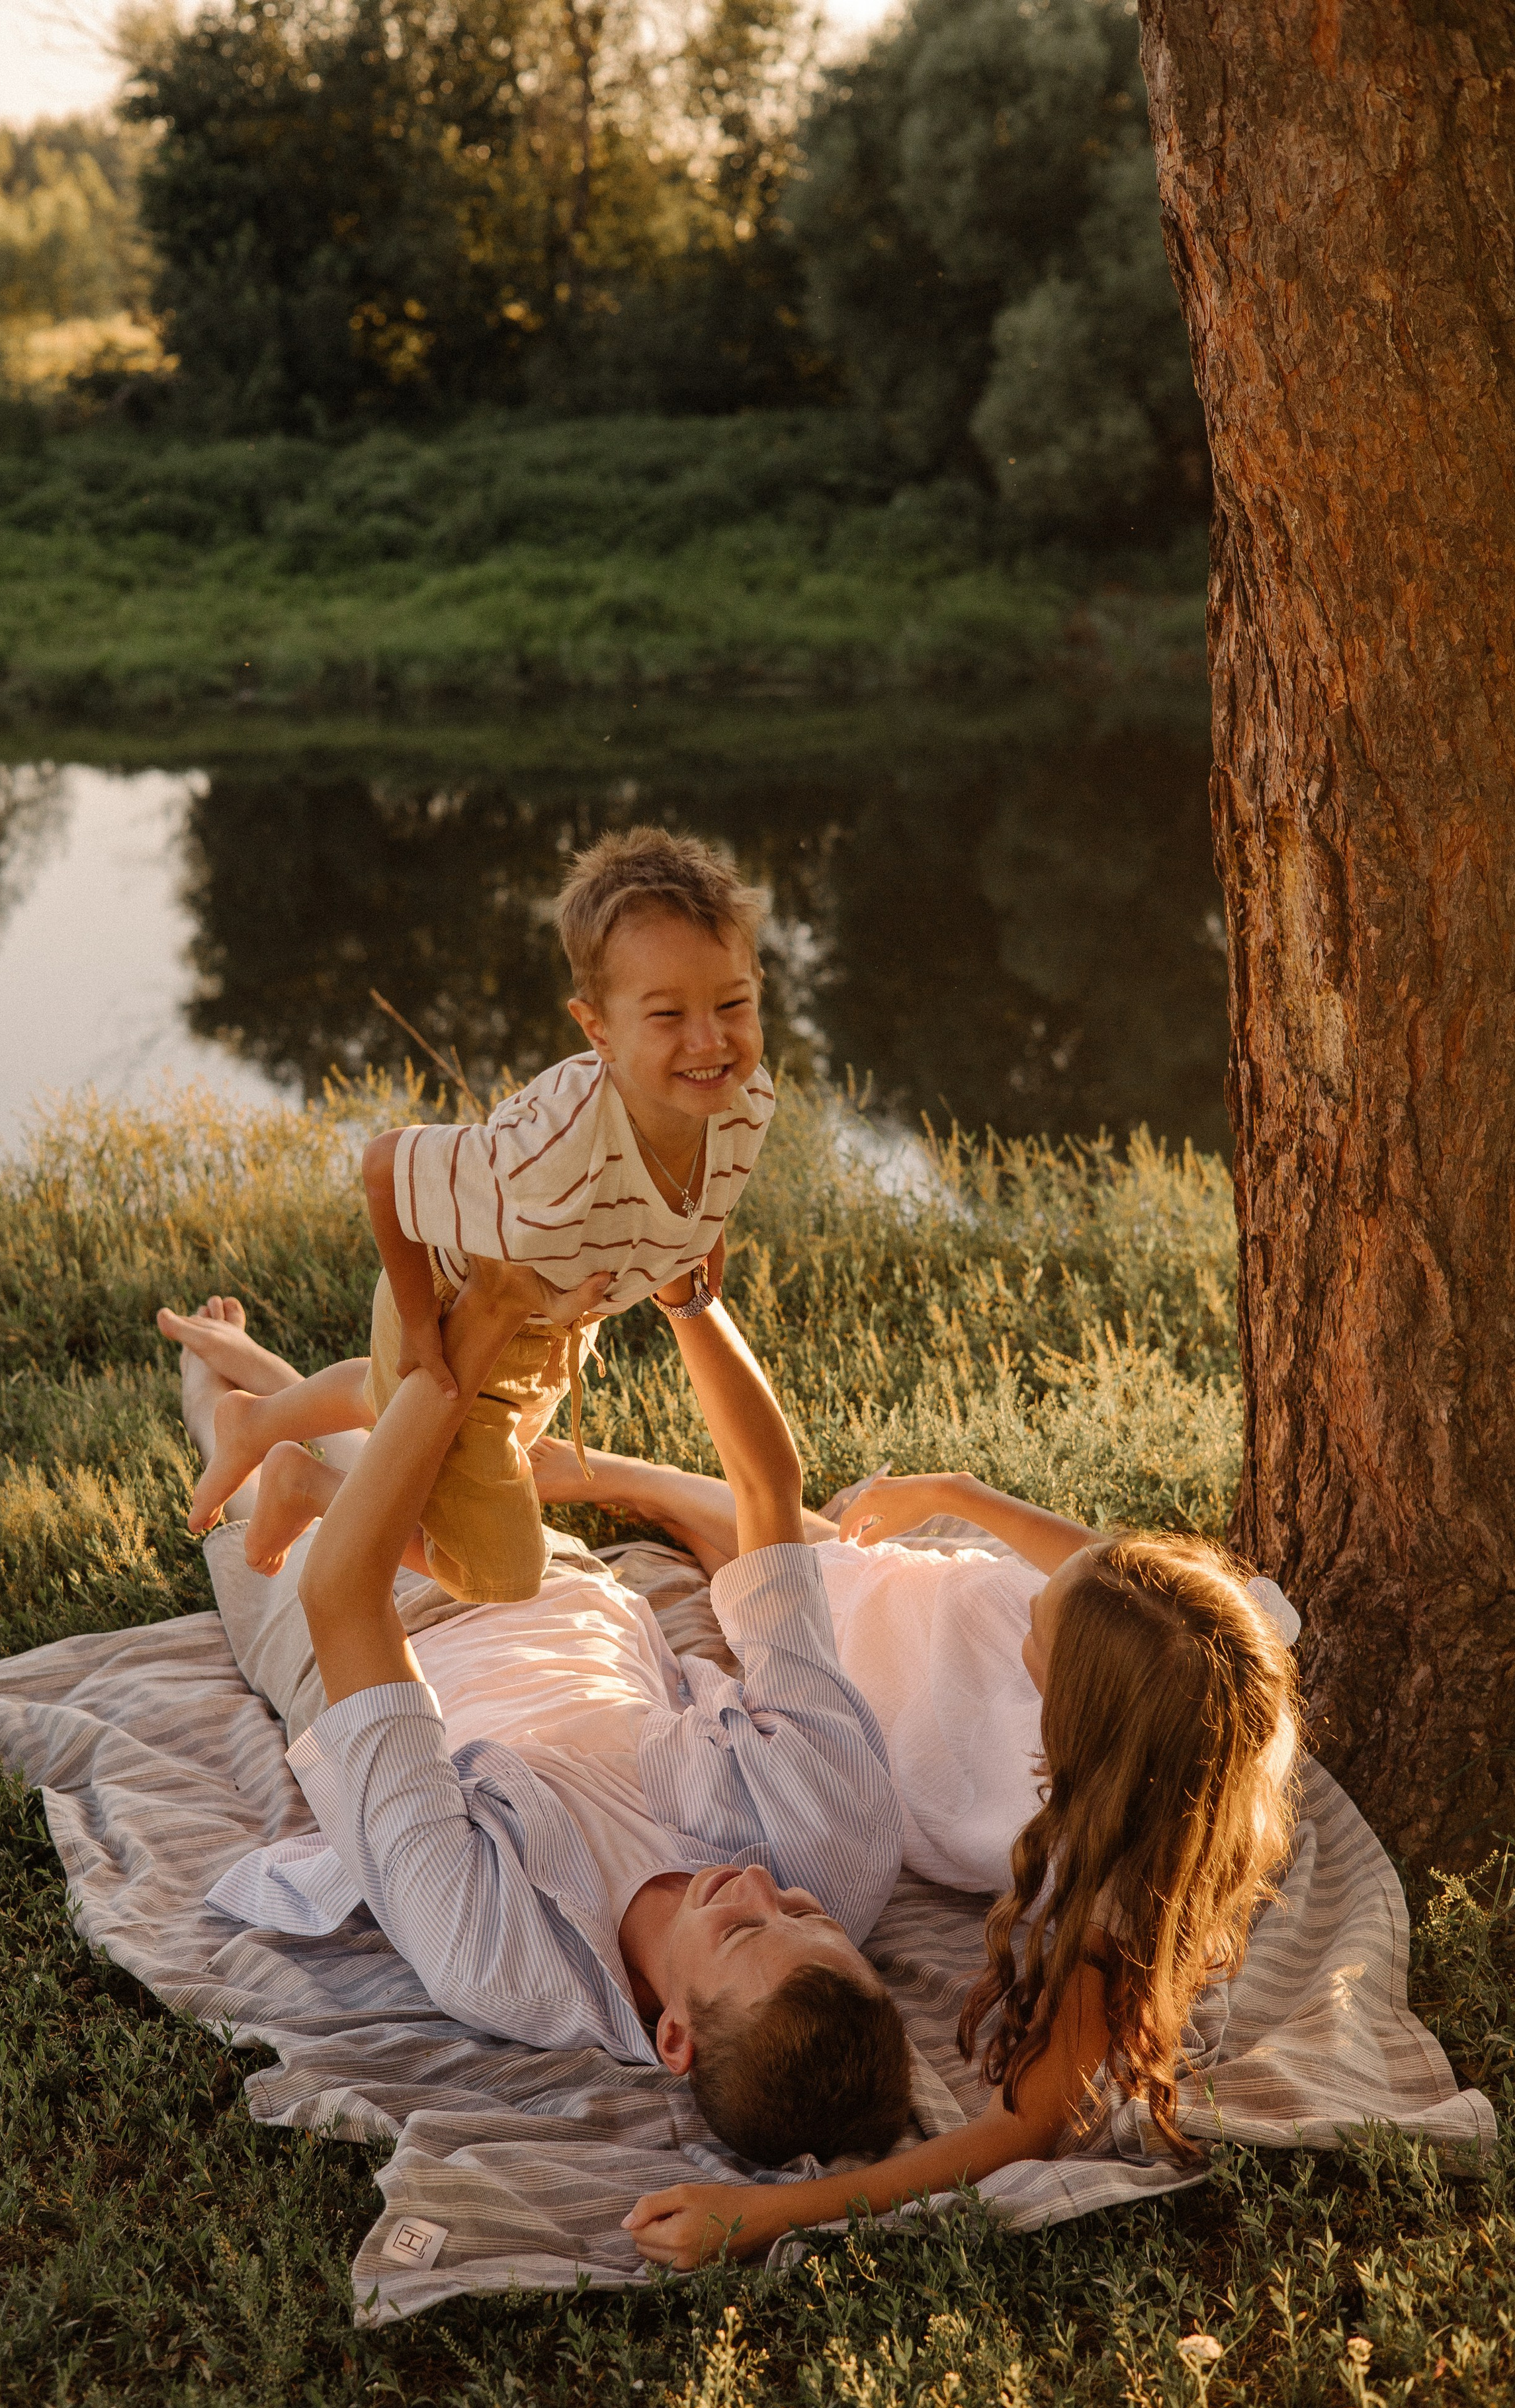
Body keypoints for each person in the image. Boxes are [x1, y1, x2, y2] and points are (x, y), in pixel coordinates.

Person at [183, 1261, 916, 2173]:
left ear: (675, 2041)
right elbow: (769, 1493)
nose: (762, 1888)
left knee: (245, 1453)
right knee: (402, 1437)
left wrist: (463, 1358)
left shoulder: (497, 1957)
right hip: (546, 1583)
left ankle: (223, 1384)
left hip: (356, 1627)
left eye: (742, 1929)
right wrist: (689, 1293)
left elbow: (344, 1594)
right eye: (809, 1913)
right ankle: (281, 1395)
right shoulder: (841, 1841)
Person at [528, 1450, 1303, 2267]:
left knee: (800, 1597)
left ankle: (648, 1494)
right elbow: (1114, 1580)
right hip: (960, 1632)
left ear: (1074, 1703)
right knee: (841, 1576)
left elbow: (1025, 2126)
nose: (1029, 1597)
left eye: (1042, 1621)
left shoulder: (1112, 1881)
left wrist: (768, 2214)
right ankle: (632, 1483)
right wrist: (958, 1496)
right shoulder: (1219, 1655)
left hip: (938, 1721)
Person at [160, 826, 775, 1601]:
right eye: (665, 1016)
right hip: (471, 1315)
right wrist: (422, 1332)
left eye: (732, 1003)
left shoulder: (741, 1098)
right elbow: (387, 1163)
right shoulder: (550, 1147)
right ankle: (307, 1488)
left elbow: (704, 1169)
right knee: (502, 1573)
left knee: (396, 1406)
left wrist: (698, 1233)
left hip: (553, 1322)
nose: (709, 1040)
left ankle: (255, 1424)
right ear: (597, 1030)